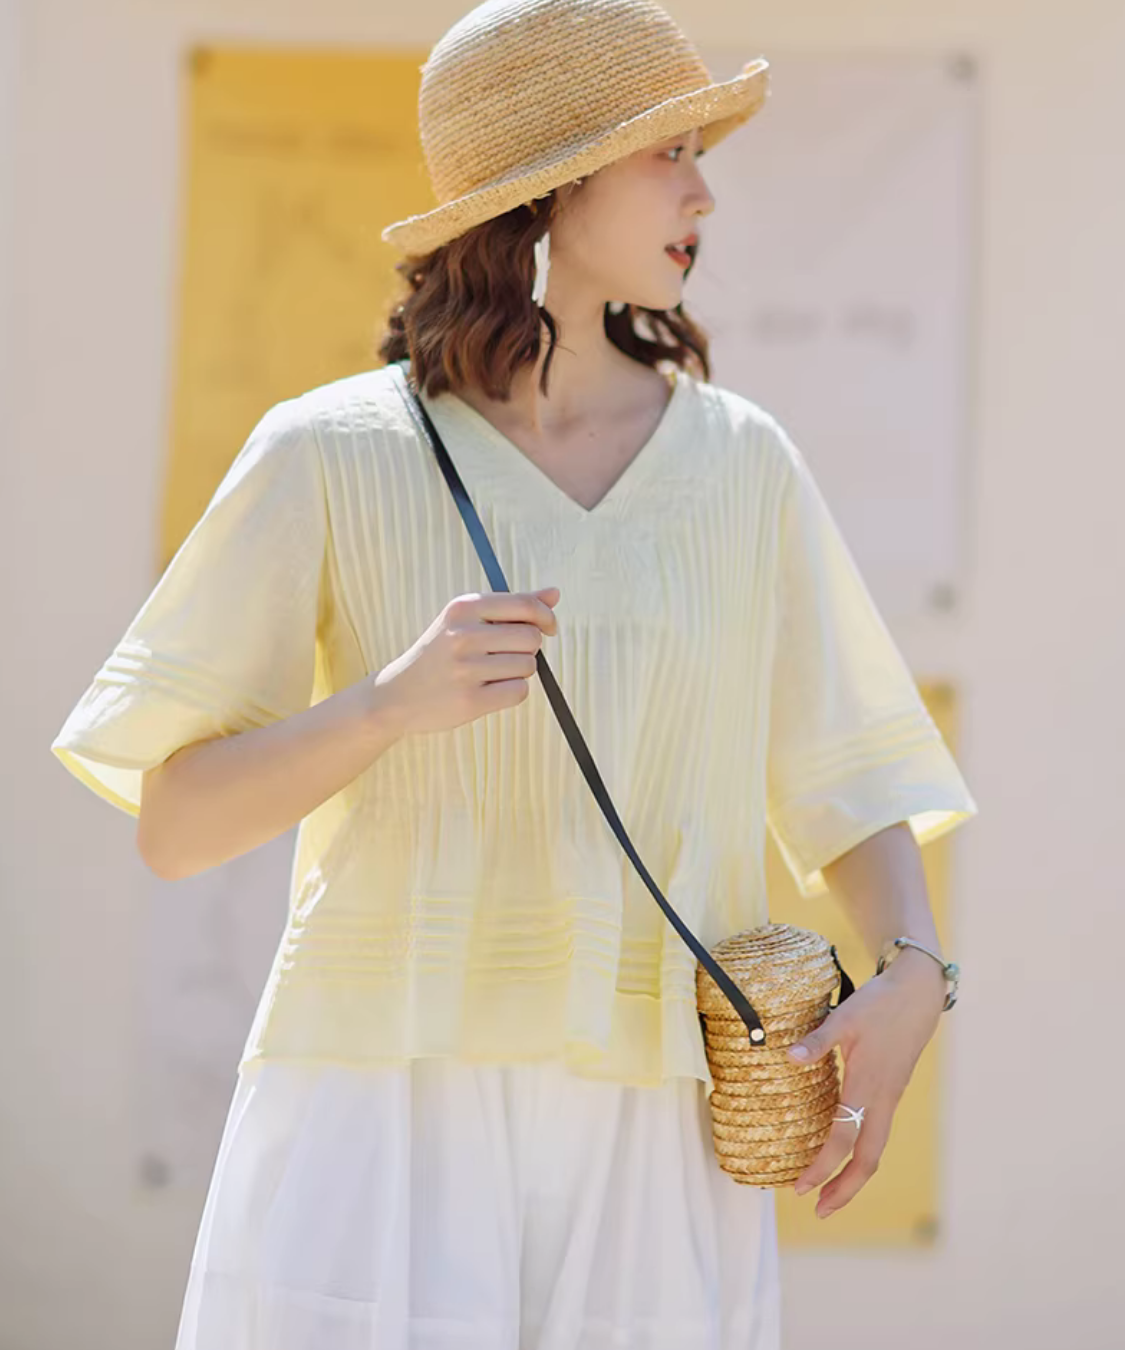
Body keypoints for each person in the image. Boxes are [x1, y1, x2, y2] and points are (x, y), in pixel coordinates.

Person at [49, 2, 978, 1347]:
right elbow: (176, 824)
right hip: (383, 1096)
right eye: (670, 152)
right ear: (558, 180)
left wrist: (915, 973)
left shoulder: (743, 467)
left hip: (657, 1116)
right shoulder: (328, 453)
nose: (705, 193)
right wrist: (386, 708)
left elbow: (853, 778)